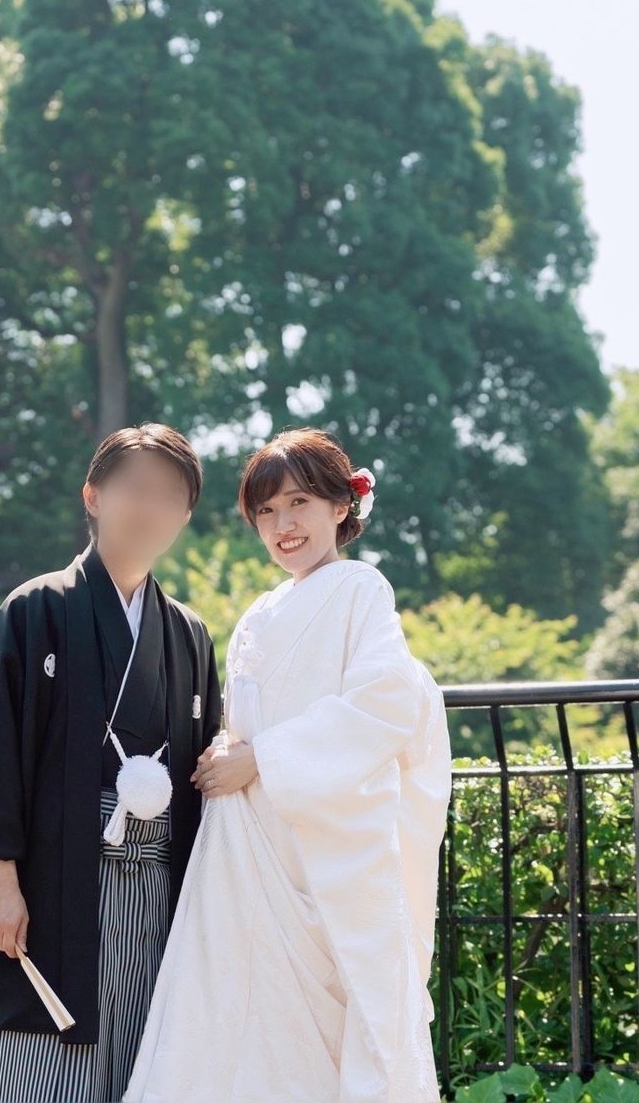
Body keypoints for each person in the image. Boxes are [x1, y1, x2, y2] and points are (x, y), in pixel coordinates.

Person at [123, 426, 453, 1103]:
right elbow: (251, 717)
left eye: (299, 502)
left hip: (326, 852)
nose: (283, 526)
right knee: (240, 1020)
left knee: (333, 1028)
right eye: (266, 511)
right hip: (254, 846)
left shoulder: (359, 588)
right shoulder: (260, 612)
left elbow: (388, 700)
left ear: (340, 505)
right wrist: (230, 748)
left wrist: (264, 759)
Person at [0, 422, 223, 1103]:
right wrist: (0, 883)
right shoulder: (36, 610)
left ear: (184, 516)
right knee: (38, 1054)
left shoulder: (188, 634)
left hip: (156, 889)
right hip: (52, 882)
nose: (151, 509)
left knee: (145, 1054)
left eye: (171, 497)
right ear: (93, 496)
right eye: (135, 490)